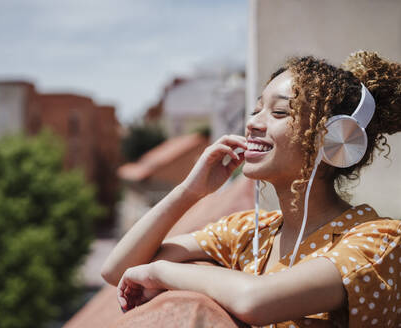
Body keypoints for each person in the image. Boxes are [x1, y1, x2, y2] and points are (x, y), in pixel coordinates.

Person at [101, 51, 401, 327]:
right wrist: (190, 191)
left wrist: (160, 272)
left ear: (335, 138)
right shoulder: (250, 233)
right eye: (256, 110)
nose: (253, 123)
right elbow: (118, 270)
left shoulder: (379, 241)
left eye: (279, 113)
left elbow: (255, 300)